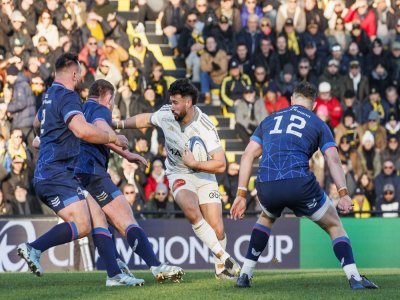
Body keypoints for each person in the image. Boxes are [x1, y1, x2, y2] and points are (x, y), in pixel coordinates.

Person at [230, 82, 378, 289]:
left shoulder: (269, 119)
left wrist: (241, 194)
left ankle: (244, 274)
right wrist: (343, 193)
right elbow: (333, 159)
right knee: (334, 225)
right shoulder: (318, 123)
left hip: (267, 184)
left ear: (292, 100)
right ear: (314, 104)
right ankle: (354, 278)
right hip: (299, 183)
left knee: (265, 218)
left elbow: (247, 155)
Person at [16, 53, 142, 287]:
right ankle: (34, 248)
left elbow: (36, 124)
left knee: (97, 214)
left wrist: (49, 142)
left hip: (48, 172)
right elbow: (83, 131)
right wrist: (112, 136)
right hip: (57, 173)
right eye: (80, 74)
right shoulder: (68, 96)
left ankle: (114, 274)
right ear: (74, 74)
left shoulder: (48, 96)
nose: (81, 78)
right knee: (83, 225)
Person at [113, 78, 241, 279]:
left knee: (217, 227)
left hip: (203, 171)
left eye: (175, 102)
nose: (171, 106)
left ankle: (220, 269)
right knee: (191, 210)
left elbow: (221, 164)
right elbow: (145, 119)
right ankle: (224, 256)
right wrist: (118, 124)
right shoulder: (166, 114)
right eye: (170, 101)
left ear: (188, 103)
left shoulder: (205, 126)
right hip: (178, 172)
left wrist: (196, 163)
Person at [73, 79, 184, 282]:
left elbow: (96, 134)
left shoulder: (80, 111)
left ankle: (115, 271)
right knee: (125, 217)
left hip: (78, 174)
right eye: (112, 99)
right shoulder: (101, 108)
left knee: (101, 221)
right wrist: (116, 139)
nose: (112, 103)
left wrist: (126, 154)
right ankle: (156, 266)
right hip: (94, 172)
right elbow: (102, 129)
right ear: (108, 97)